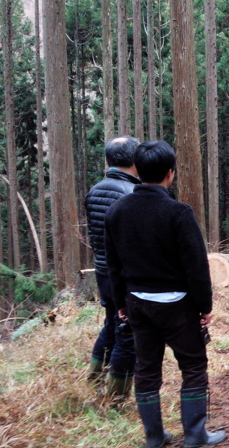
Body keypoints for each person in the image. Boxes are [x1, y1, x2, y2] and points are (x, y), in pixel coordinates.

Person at [104, 140, 226, 448]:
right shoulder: (178, 213)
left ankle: (154, 437)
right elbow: (196, 266)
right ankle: (195, 434)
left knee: (146, 368)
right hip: (178, 307)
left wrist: (120, 304)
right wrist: (205, 307)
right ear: (170, 173)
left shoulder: (116, 211)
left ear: (138, 171)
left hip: (138, 306)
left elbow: (113, 265)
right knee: (193, 365)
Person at [84, 136, 141, 403]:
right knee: (127, 332)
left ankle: (94, 377)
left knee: (111, 323)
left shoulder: (95, 190)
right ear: (134, 160)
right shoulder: (129, 194)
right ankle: (116, 396)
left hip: (103, 270)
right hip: (125, 274)